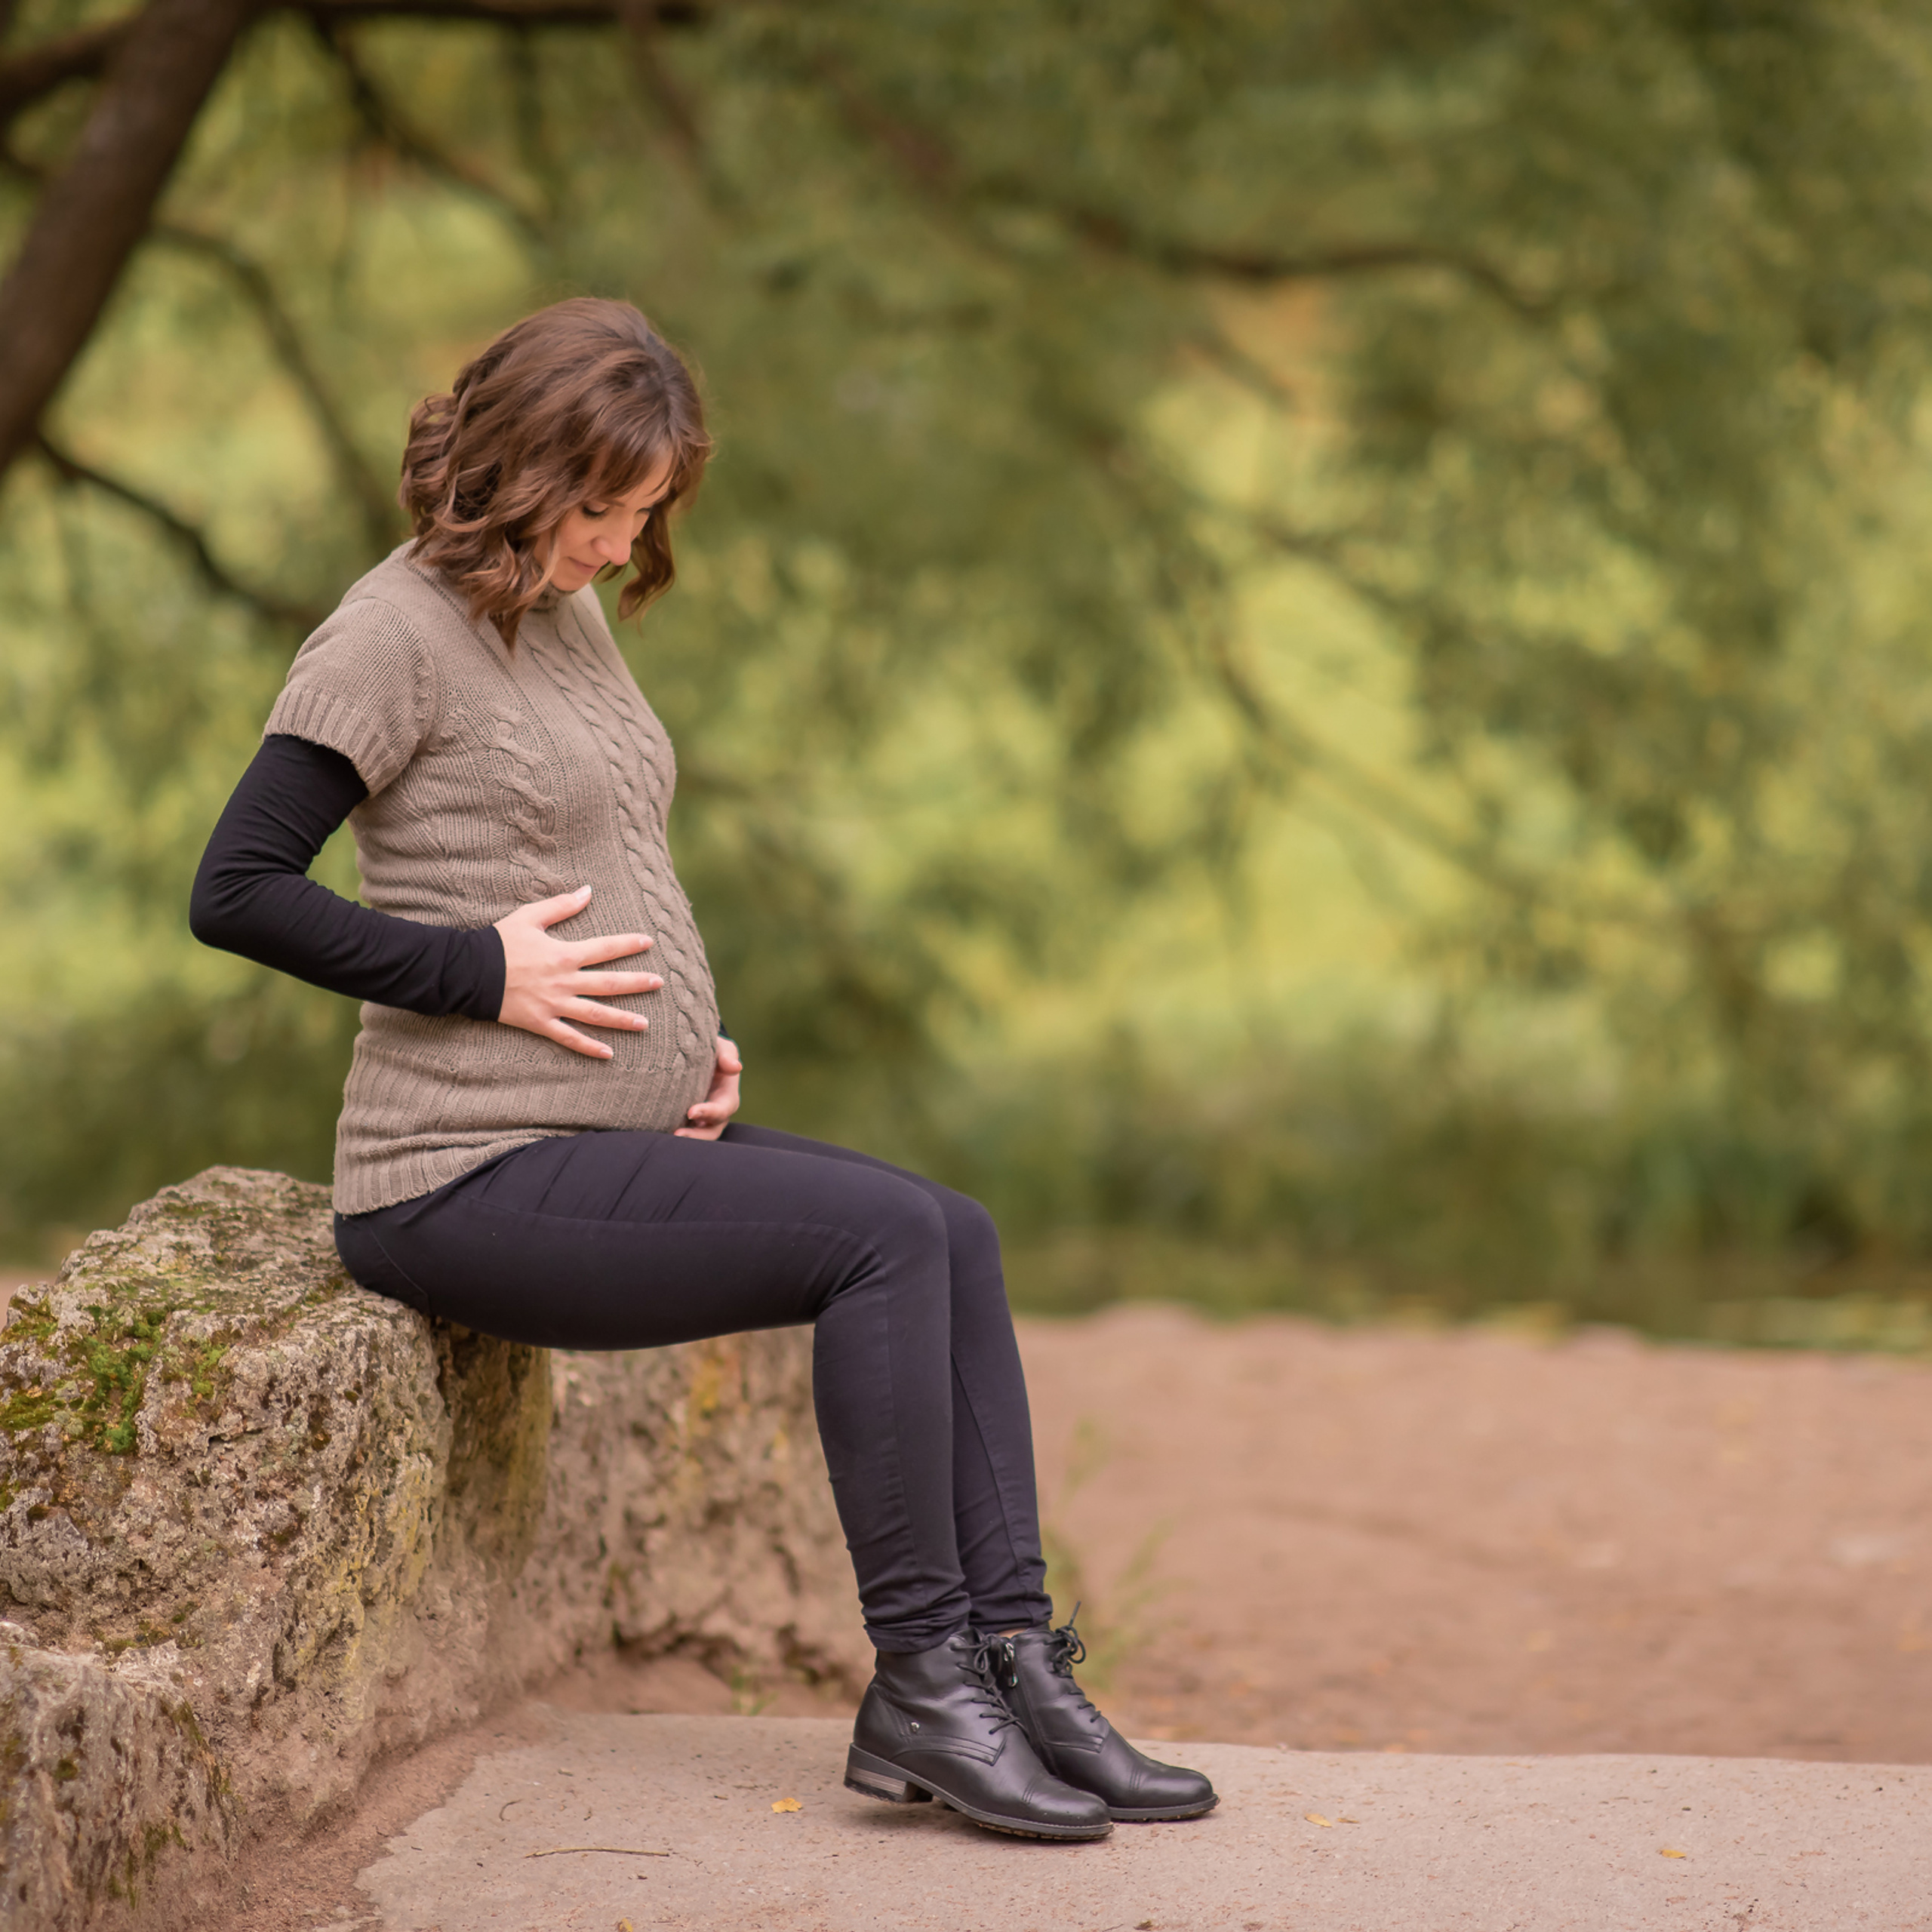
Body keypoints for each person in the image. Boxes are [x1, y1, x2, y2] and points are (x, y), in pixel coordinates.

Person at [189, 297, 1216, 1843]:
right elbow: (237, 888)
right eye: (600, 507)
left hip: (591, 1136)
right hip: (454, 1177)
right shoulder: (384, 634)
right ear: (517, 468)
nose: (619, 541)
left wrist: (675, 1043)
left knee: (952, 1224)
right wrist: (483, 968)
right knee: (875, 1244)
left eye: (644, 510)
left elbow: (598, 844)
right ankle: (924, 1679)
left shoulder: (561, 611)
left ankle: (1013, 1659)